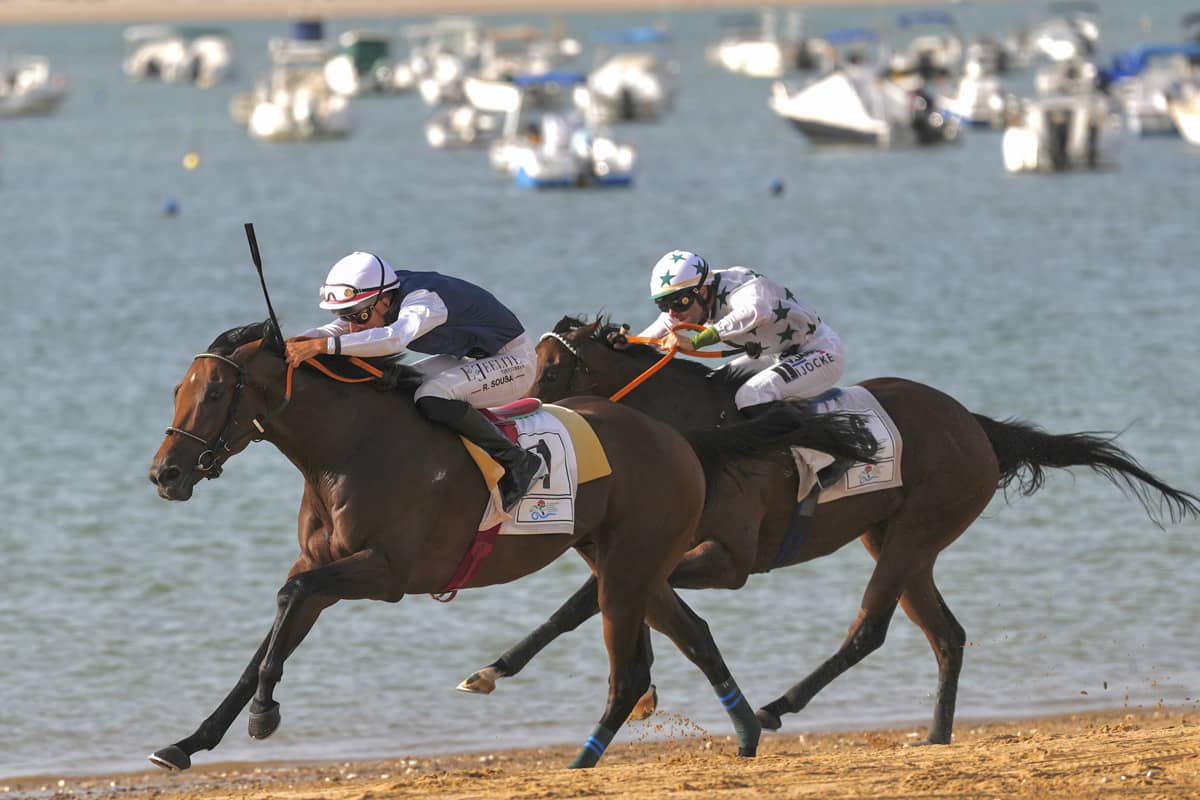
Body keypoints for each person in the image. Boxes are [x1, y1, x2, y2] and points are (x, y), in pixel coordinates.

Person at [285, 251, 544, 512]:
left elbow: (393, 339)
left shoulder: (424, 301)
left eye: (359, 316)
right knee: (400, 386)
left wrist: (324, 346)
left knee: (431, 395)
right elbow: (335, 330)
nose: (353, 327)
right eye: (346, 316)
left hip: (515, 362)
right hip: (469, 359)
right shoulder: (378, 297)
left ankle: (517, 460)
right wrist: (295, 343)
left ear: (385, 301)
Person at [620, 249, 845, 418]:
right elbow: (654, 332)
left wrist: (697, 342)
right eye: (663, 304)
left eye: (679, 303)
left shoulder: (743, 286)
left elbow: (755, 311)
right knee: (709, 386)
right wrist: (625, 345)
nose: (672, 312)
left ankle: (817, 453)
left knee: (751, 396)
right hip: (775, 354)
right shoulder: (691, 301)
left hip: (819, 351)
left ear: (703, 291)